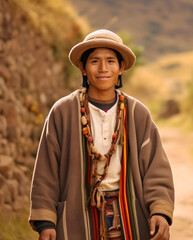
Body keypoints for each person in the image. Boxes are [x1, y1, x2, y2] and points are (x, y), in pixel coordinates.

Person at [29, 29, 174, 240]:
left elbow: (155, 168)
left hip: (129, 216)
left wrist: (160, 210)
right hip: (77, 216)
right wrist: (46, 222)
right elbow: (46, 170)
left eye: (110, 61)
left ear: (121, 67)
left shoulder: (137, 113)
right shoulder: (63, 112)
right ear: (83, 68)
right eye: (95, 61)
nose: (103, 68)